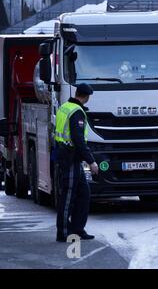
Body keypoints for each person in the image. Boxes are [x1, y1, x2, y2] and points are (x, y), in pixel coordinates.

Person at [55, 83, 98, 242]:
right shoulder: (76, 112)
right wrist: (91, 161)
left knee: (83, 194)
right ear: (85, 97)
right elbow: (78, 140)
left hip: (70, 157)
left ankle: (78, 229)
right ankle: (64, 233)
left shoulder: (65, 106)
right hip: (70, 157)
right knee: (68, 197)